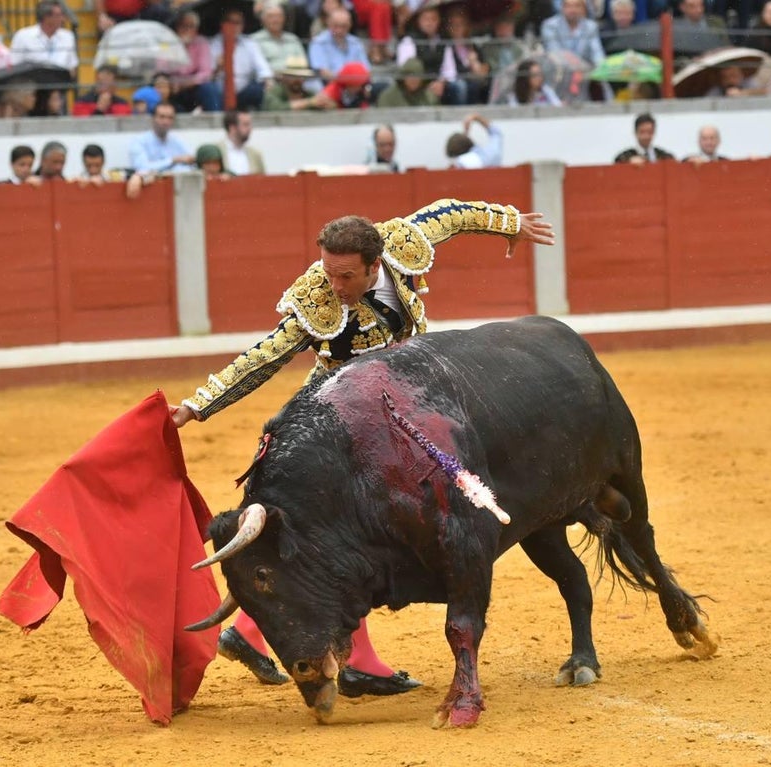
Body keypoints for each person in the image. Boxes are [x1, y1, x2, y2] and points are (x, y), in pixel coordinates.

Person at [169, 198, 556, 696]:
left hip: (402, 405)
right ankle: (340, 656)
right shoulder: (316, 299)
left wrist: (510, 225)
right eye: (328, 273)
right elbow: (263, 357)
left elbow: (454, 214)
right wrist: (198, 405)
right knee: (350, 535)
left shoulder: (401, 242)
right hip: (342, 429)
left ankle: (252, 635)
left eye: (346, 276)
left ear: (375, 264)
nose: (334, 285)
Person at [209, 7, 274, 111]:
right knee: (210, 90)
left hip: (243, 91)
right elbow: (207, 77)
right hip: (220, 92)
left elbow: (263, 68)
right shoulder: (213, 44)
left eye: (237, 22)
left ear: (242, 25)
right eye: (230, 21)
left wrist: (267, 80)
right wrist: (218, 67)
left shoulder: (249, 43)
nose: (233, 26)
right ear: (222, 24)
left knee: (258, 90)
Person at [396, 5, 458, 105]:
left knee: (459, 87)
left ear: (439, 21)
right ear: (418, 21)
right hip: (417, 85)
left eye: (433, 19)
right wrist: (425, 84)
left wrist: (441, 82)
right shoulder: (409, 41)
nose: (429, 23)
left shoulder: (444, 41)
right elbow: (406, 69)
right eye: (426, 19)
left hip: (439, 85)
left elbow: (450, 70)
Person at [170, 10, 223, 114]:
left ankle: (216, 121)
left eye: (190, 26)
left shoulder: (201, 43)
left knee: (210, 89)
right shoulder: (169, 44)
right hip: (173, 87)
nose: (186, 30)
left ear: (196, 29)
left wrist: (189, 82)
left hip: (193, 87)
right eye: (183, 26)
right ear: (177, 28)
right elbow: (162, 69)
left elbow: (206, 72)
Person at [10, 0, 79, 80]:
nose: (63, 19)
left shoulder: (68, 36)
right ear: (46, 17)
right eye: (58, 15)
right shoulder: (23, 36)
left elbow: (72, 67)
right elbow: (14, 65)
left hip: (58, 83)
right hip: (30, 83)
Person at [128, 103, 195, 173]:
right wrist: (173, 160)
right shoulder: (140, 141)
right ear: (153, 118)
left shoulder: (177, 141)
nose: (166, 122)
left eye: (170, 118)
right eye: (162, 117)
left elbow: (191, 162)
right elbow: (142, 168)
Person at [308, 7, 372, 83]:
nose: (339, 30)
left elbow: (366, 71)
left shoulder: (356, 43)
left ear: (350, 25)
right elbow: (323, 72)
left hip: (355, 86)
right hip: (329, 85)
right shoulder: (318, 42)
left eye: (343, 26)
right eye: (336, 26)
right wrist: (345, 82)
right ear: (328, 24)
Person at [540, 0, 606, 69]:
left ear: (583, 8)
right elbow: (555, 52)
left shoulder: (591, 26)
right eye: (568, 6)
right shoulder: (550, 25)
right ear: (562, 7)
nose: (572, 10)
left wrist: (602, 68)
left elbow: (597, 52)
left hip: (584, 72)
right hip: (559, 72)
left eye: (577, 6)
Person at [251, 1, 307, 75]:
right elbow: (256, 69)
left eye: (279, 16)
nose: (276, 20)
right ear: (263, 19)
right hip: (269, 81)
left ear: (284, 19)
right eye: (271, 16)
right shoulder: (254, 40)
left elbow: (303, 63)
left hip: (296, 78)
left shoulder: (293, 39)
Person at [376, 58, 440, 107]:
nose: (414, 80)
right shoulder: (388, 97)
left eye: (417, 76)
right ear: (403, 78)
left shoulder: (429, 97)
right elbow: (382, 120)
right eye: (410, 75)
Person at [219, 109, 265, 175]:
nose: (250, 128)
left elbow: (263, 181)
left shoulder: (256, 154)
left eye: (249, 124)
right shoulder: (217, 151)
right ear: (232, 128)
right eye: (245, 124)